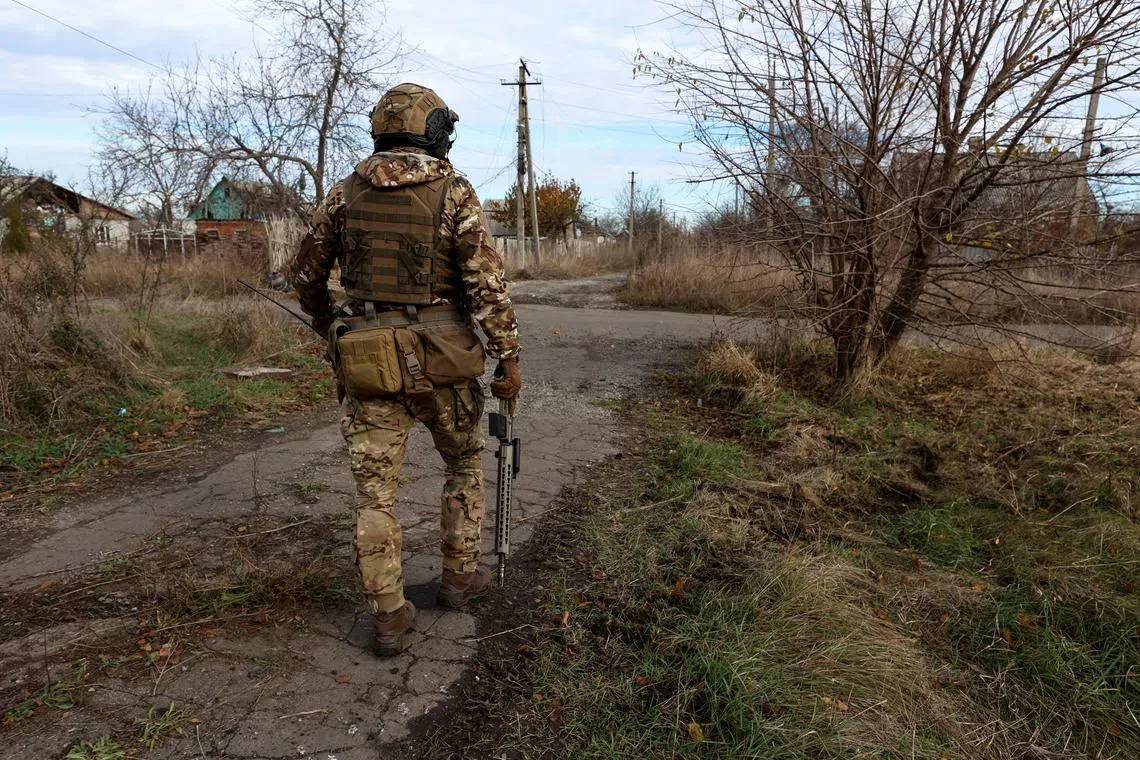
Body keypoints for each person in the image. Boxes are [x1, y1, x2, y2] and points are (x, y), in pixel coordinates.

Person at [288, 83, 521, 656]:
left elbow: (305, 277)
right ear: (434, 131)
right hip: (445, 363)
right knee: (464, 464)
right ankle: (459, 580)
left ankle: (388, 613)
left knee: (375, 496)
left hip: (368, 363)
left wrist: (330, 329)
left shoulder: (345, 194)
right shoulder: (455, 191)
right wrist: (508, 356)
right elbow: (485, 286)